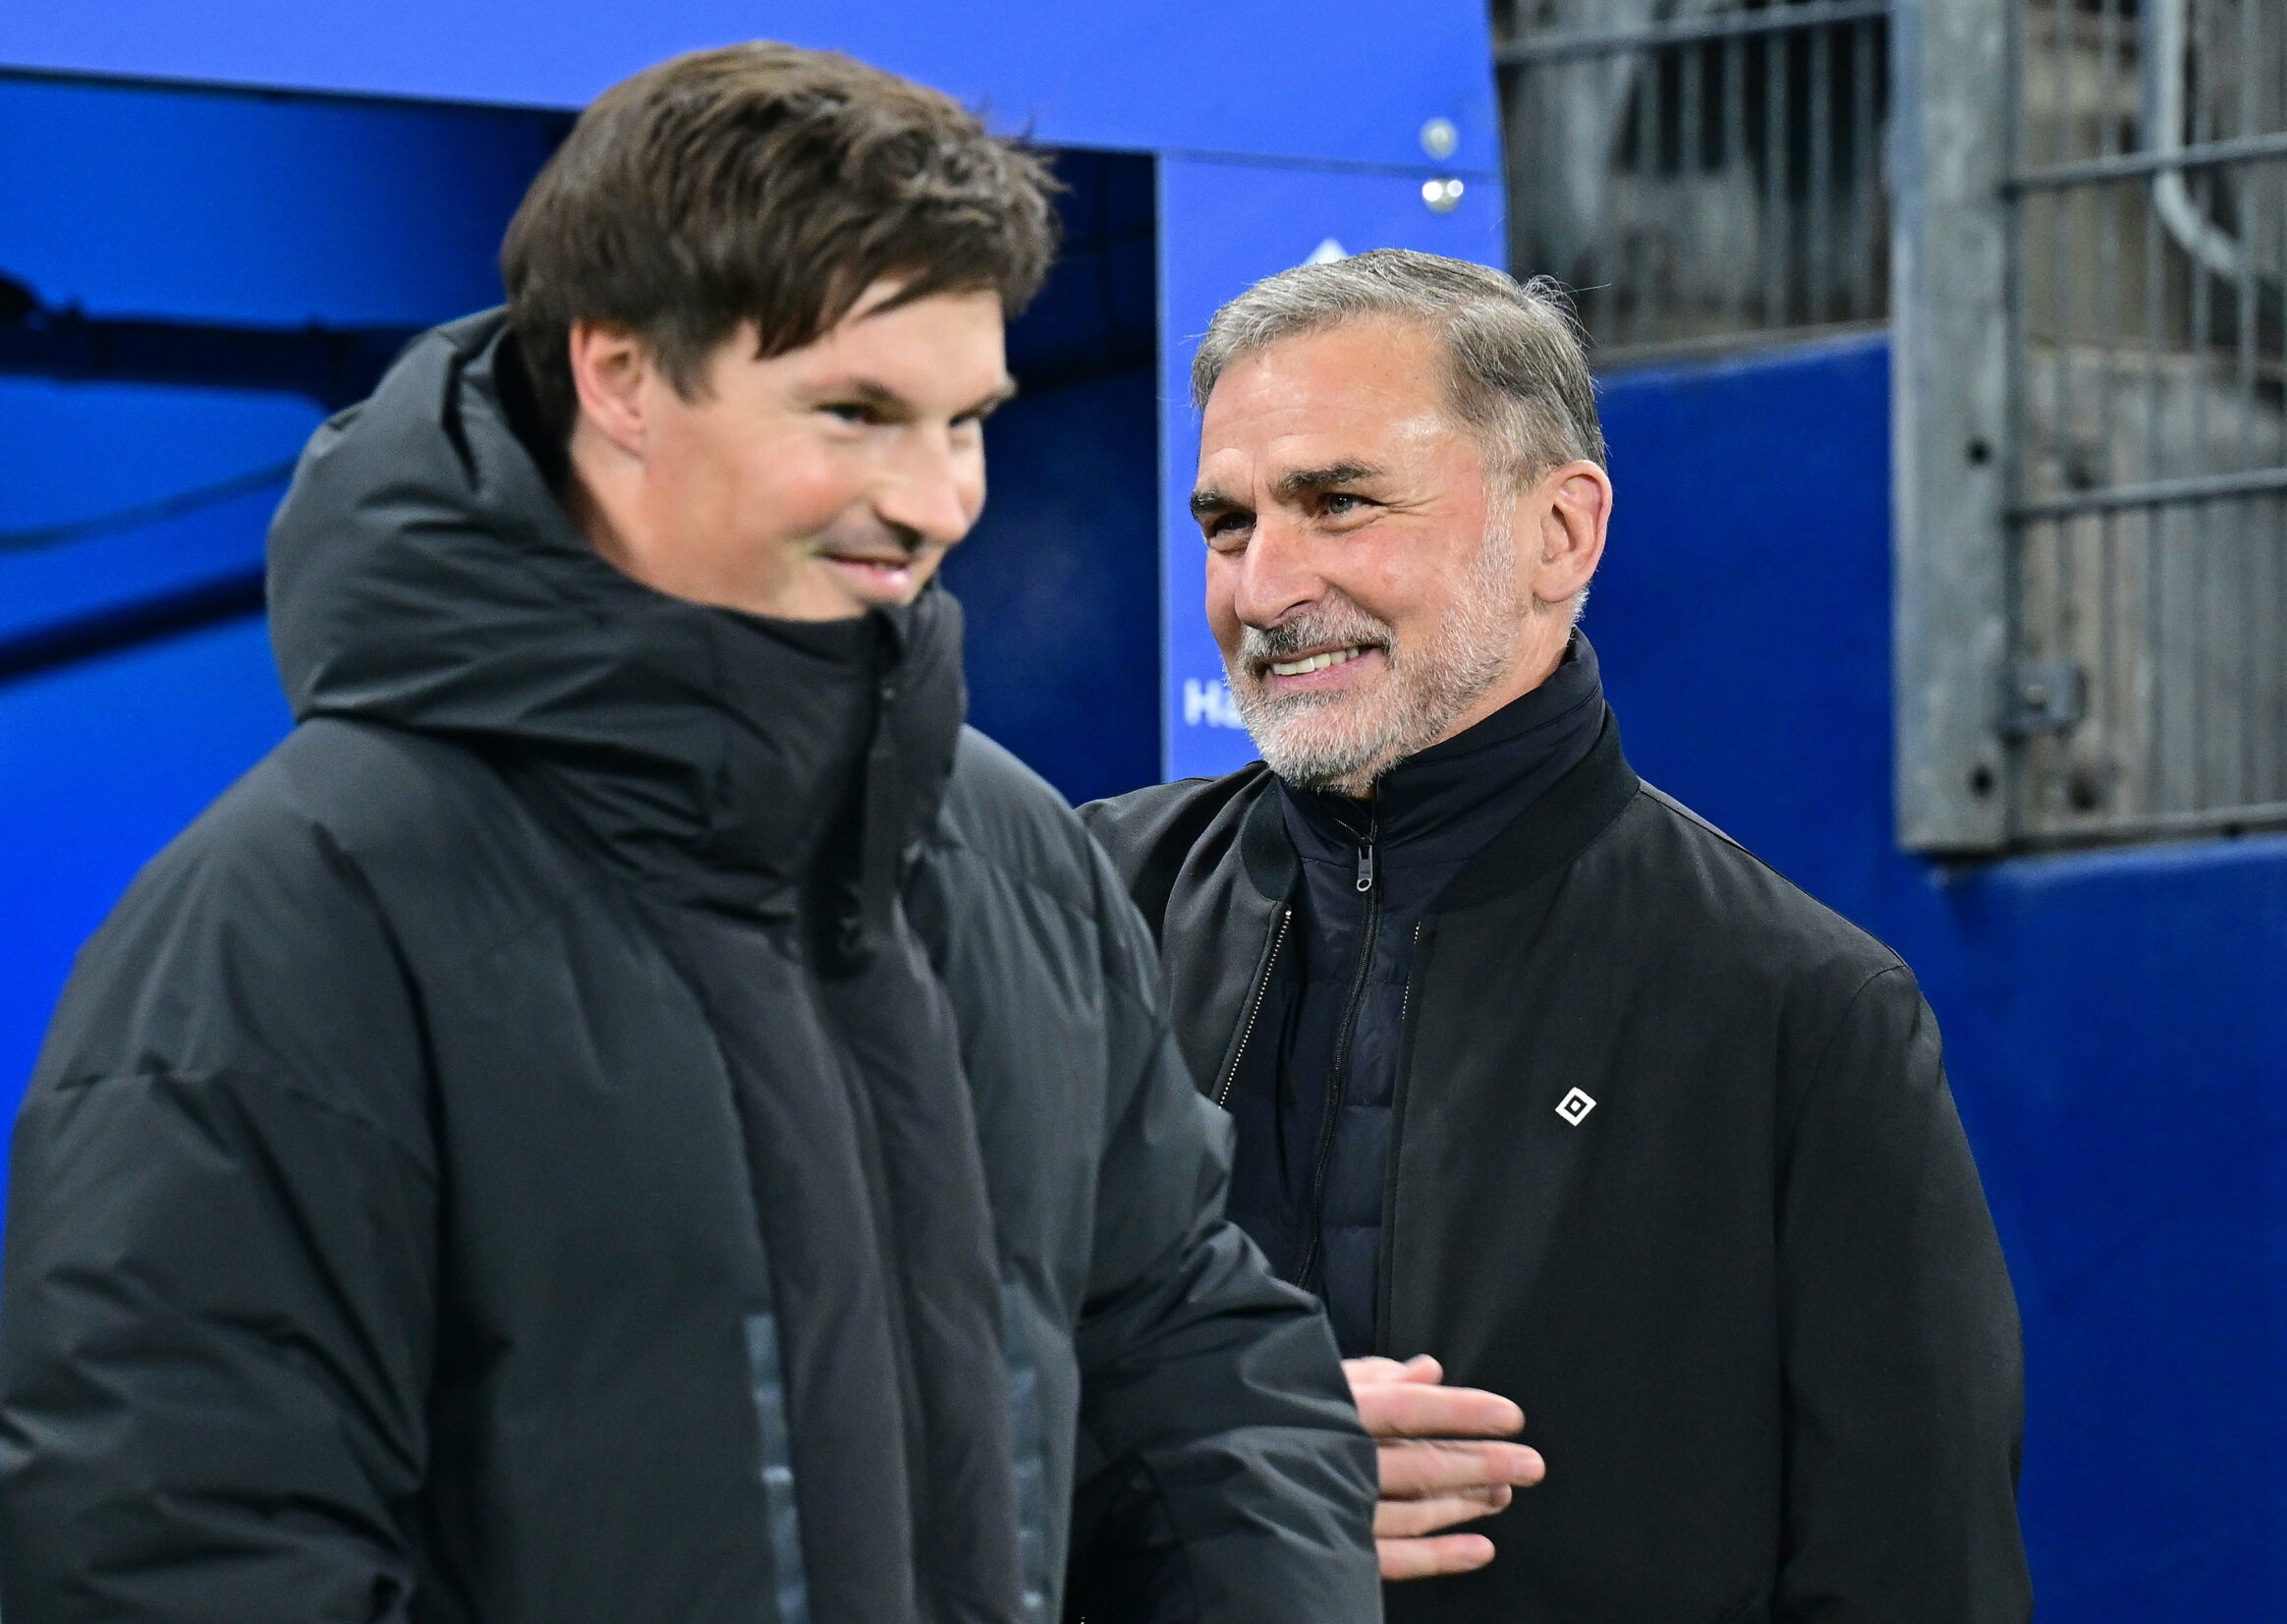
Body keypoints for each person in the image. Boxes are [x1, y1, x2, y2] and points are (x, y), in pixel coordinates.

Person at [0, 45, 1380, 1624]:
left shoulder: (1014, 856)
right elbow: (175, 1552)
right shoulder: (286, 915)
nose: (933, 498)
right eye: (854, 412)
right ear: (620, 378)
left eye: (964, 420)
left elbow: (1196, 1365)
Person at [1081, 249, 2033, 1620]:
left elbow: (1915, 1570)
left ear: (1561, 532)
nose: (1265, 587)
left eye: (1337, 503)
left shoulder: (1794, 1010)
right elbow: (885, 1411)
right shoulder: (1082, 912)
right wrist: (1188, 1461)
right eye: (1228, 526)